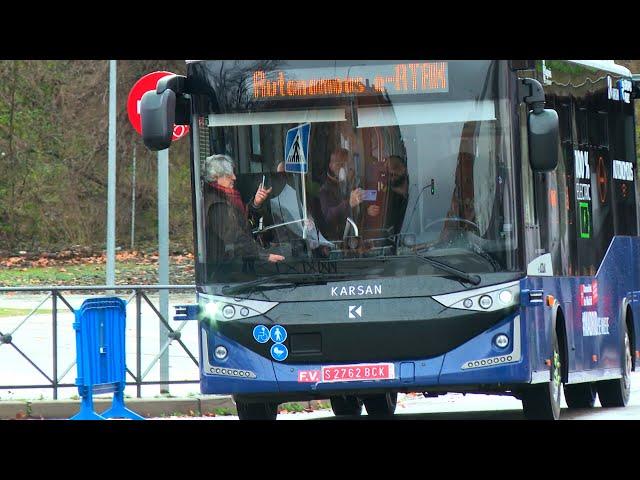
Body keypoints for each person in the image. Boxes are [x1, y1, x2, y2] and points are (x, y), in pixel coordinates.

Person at [204, 154, 284, 264]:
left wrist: (256, 203)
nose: (234, 177)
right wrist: (265, 255)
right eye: (228, 175)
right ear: (215, 177)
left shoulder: (226, 196)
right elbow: (236, 239)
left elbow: (243, 222)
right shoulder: (217, 205)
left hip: (238, 262)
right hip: (227, 268)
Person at [319, 148, 379, 240]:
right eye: (340, 164)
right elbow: (328, 217)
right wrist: (349, 203)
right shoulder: (325, 189)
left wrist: (367, 210)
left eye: (347, 165)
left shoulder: (352, 184)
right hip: (337, 241)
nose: (344, 169)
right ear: (331, 166)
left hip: (356, 237)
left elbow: (356, 211)